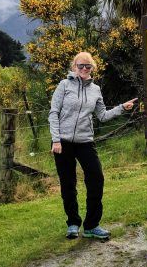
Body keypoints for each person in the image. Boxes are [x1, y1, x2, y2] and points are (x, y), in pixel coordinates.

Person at [48, 52, 137, 241]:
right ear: (74, 66)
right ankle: (73, 223)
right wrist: (56, 140)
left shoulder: (95, 89)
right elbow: (53, 113)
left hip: (85, 141)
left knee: (97, 179)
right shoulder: (64, 86)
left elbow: (102, 115)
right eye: (81, 66)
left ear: (92, 69)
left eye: (88, 66)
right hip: (62, 142)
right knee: (68, 183)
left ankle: (91, 225)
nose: (84, 69)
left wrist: (122, 107)